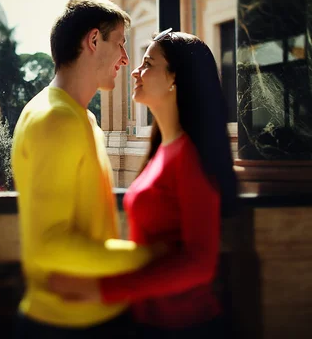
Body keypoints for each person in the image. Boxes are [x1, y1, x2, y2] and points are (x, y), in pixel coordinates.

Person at [46, 29, 238, 338]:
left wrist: (104, 289)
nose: (135, 70)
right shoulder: (164, 149)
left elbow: (200, 263)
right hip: (153, 322)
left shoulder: (188, 156)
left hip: (187, 327)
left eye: (148, 64)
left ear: (175, 78)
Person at [11, 0, 167, 338]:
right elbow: (50, 245)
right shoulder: (54, 119)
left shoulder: (82, 117)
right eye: (121, 43)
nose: (126, 59)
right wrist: (149, 257)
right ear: (94, 41)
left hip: (95, 315)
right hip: (65, 324)